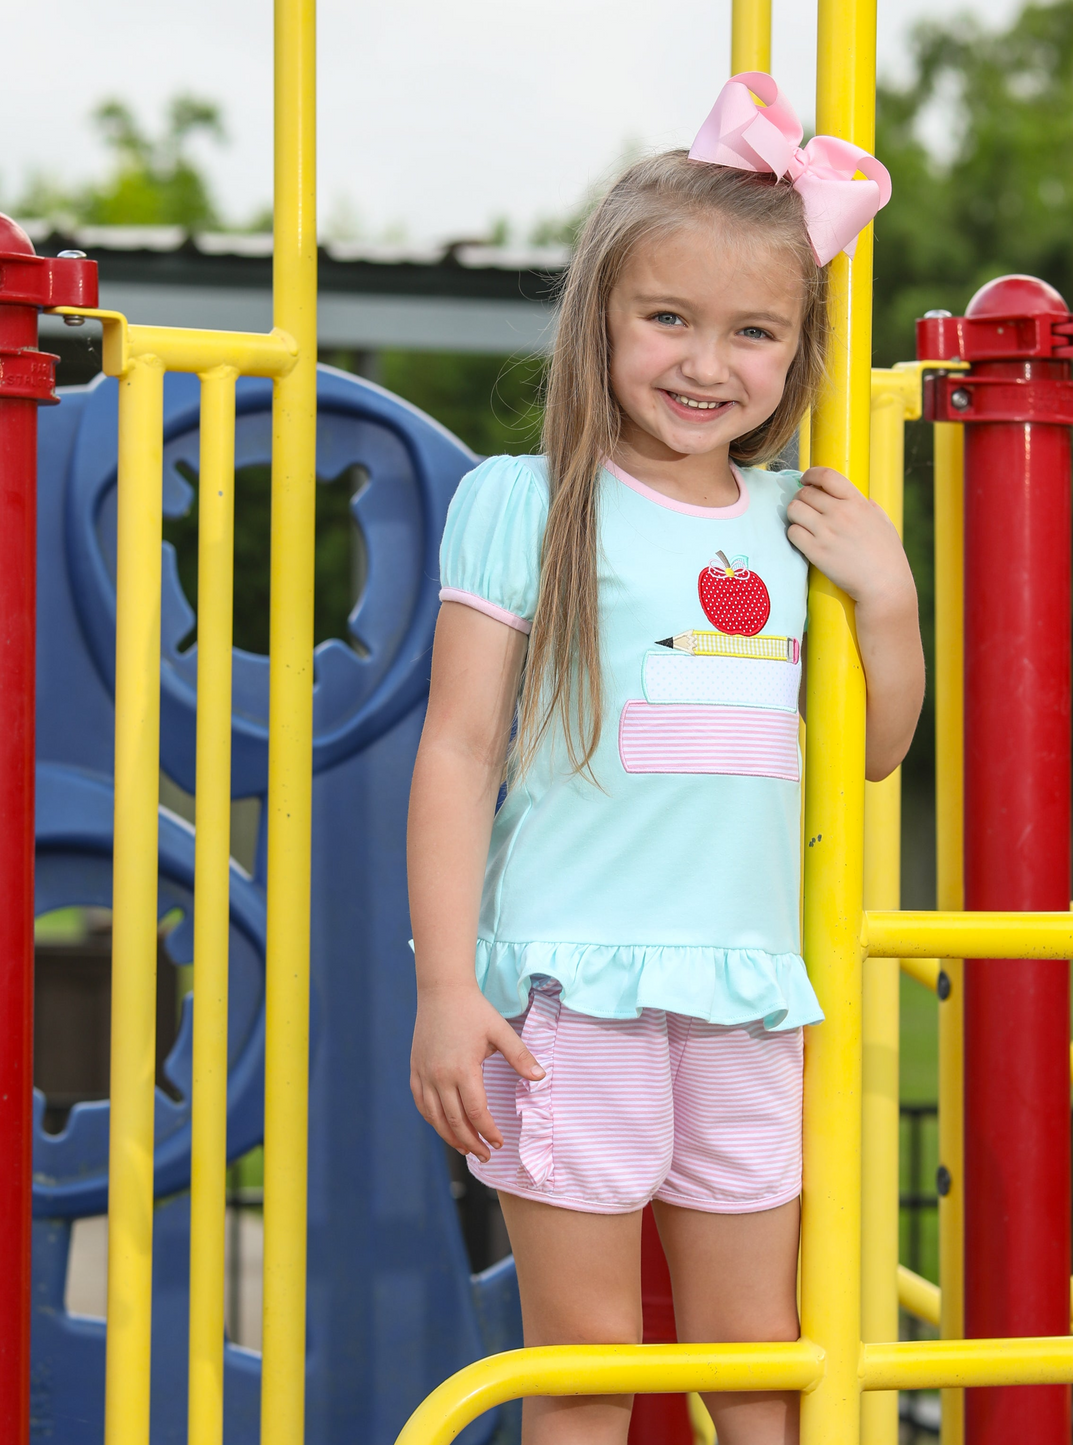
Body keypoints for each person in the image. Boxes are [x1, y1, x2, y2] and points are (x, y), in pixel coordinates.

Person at [406, 72, 922, 1445]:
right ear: (604, 322)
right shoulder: (527, 504)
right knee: (589, 1363)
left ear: (798, 349)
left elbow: (872, 751)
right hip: (575, 987)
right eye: (670, 319)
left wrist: (890, 601)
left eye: (754, 332)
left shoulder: (799, 518)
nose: (708, 363)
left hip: (747, 991)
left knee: (757, 1361)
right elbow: (456, 754)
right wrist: (448, 990)